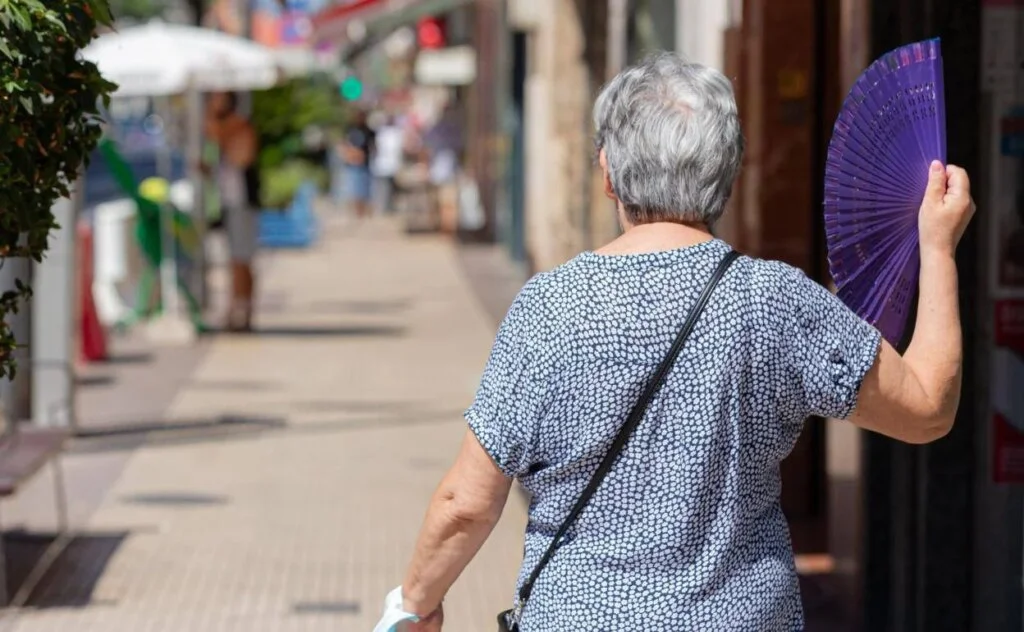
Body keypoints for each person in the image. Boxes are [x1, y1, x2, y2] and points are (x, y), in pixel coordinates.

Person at [384, 53, 976, 630]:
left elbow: (466, 502)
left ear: (608, 172)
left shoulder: (548, 307)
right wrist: (938, 247)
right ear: (730, 171)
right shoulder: (775, 301)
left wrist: (417, 603)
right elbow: (926, 408)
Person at [204, 91, 260, 333]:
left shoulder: (239, 128)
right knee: (232, 261)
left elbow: (241, 158)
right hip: (226, 204)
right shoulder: (225, 131)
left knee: (242, 260)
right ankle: (235, 308)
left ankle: (243, 309)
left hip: (241, 204)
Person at [339, 108, 376, 219]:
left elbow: (373, 147)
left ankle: (363, 211)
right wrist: (350, 155)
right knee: (353, 189)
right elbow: (343, 145)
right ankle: (357, 212)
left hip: (365, 164)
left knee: (365, 189)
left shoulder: (368, 131)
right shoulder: (350, 130)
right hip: (352, 165)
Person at [372, 114, 404, 215]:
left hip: (390, 165)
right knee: (383, 188)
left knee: (389, 189)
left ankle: (387, 207)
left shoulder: (394, 133)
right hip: (384, 164)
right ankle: (384, 207)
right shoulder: (384, 133)